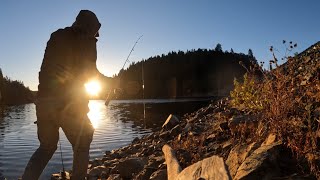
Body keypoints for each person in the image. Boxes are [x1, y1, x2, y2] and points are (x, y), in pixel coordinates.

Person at [22, 10, 107, 179]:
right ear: (89, 27)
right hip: (69, 104)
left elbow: (49, 70)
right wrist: (112, 82)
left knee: (46, 147)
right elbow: (89, 73)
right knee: (83, 142)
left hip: (44, 102)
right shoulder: (87, 41)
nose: (96, 36)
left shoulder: (56, 36)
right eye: (95, 31)